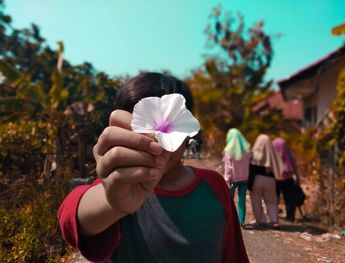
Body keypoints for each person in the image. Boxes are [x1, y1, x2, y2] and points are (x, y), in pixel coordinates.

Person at [58, 72, 249, 263]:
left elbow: (234, 255)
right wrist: (111, 203)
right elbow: (71, 217)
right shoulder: (119, 185)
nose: (155, 139)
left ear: (187, 134)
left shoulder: (214, 185)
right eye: (138, 129)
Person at [248, 134, 283, 228]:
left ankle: (260, 220)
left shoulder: (253, 153)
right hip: (270, 180)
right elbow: (279, 167)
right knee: (271, 201)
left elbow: (249, 167)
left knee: (256, 201)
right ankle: (274, 221)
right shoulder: (272, 153)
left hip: (256, 180)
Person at [223, 128, 250, 226]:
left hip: (233, 180)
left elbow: (228, 168)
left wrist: (227, 179)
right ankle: (241, 221)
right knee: (242, 200)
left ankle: (229, 219)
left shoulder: (229, 150)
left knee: (229, 200)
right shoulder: (246, 149)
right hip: (244, 179)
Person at [272, 137, 300, 221]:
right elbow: (295, 167)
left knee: (274, 199)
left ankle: (273, 216)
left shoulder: (272, 156)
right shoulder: (289, 154)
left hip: (275, 179)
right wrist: (297, 179)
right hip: (288, 179)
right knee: (290, 200)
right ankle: (290, 217)